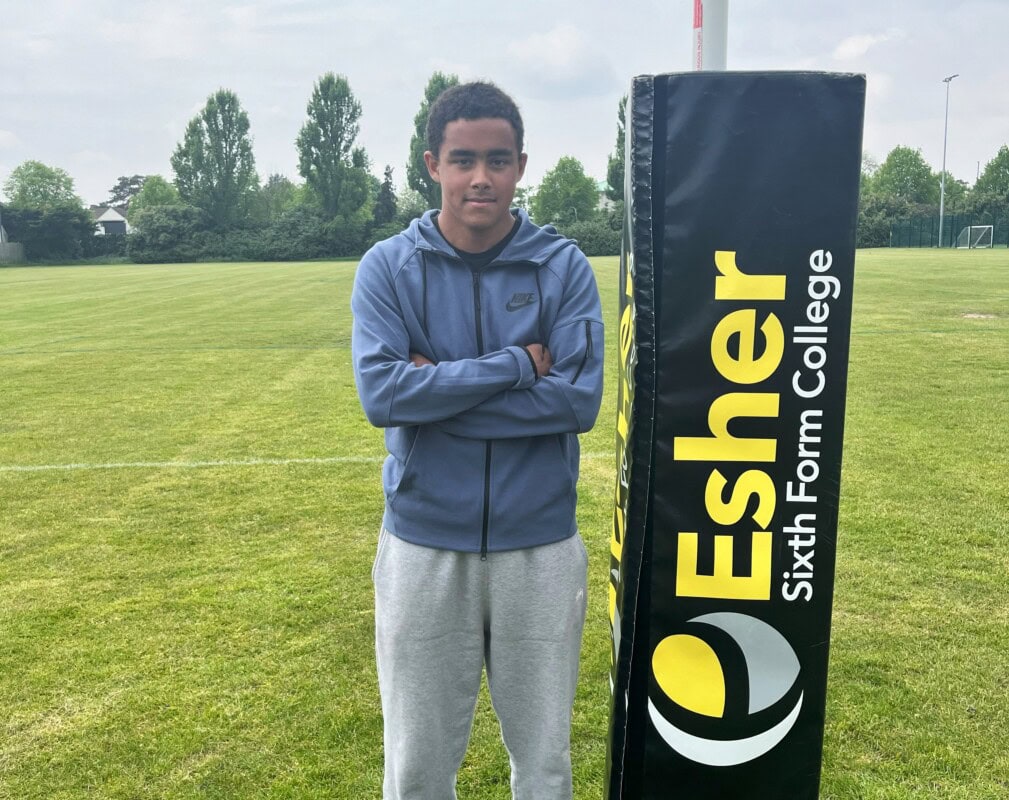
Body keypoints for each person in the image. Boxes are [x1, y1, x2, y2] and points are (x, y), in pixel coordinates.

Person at [351, 81, 604, 800]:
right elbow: (385, 396)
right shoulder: (387, 268)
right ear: (432, 164)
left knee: (544, 762)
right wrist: (517, 365)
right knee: (417, 765)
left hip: (540, 544)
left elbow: (577, 402)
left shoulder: (562, 267)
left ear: (521, 164)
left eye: (497, 159)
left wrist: (440, 396)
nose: (480, 178)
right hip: (423, 543)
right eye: (463, 159)